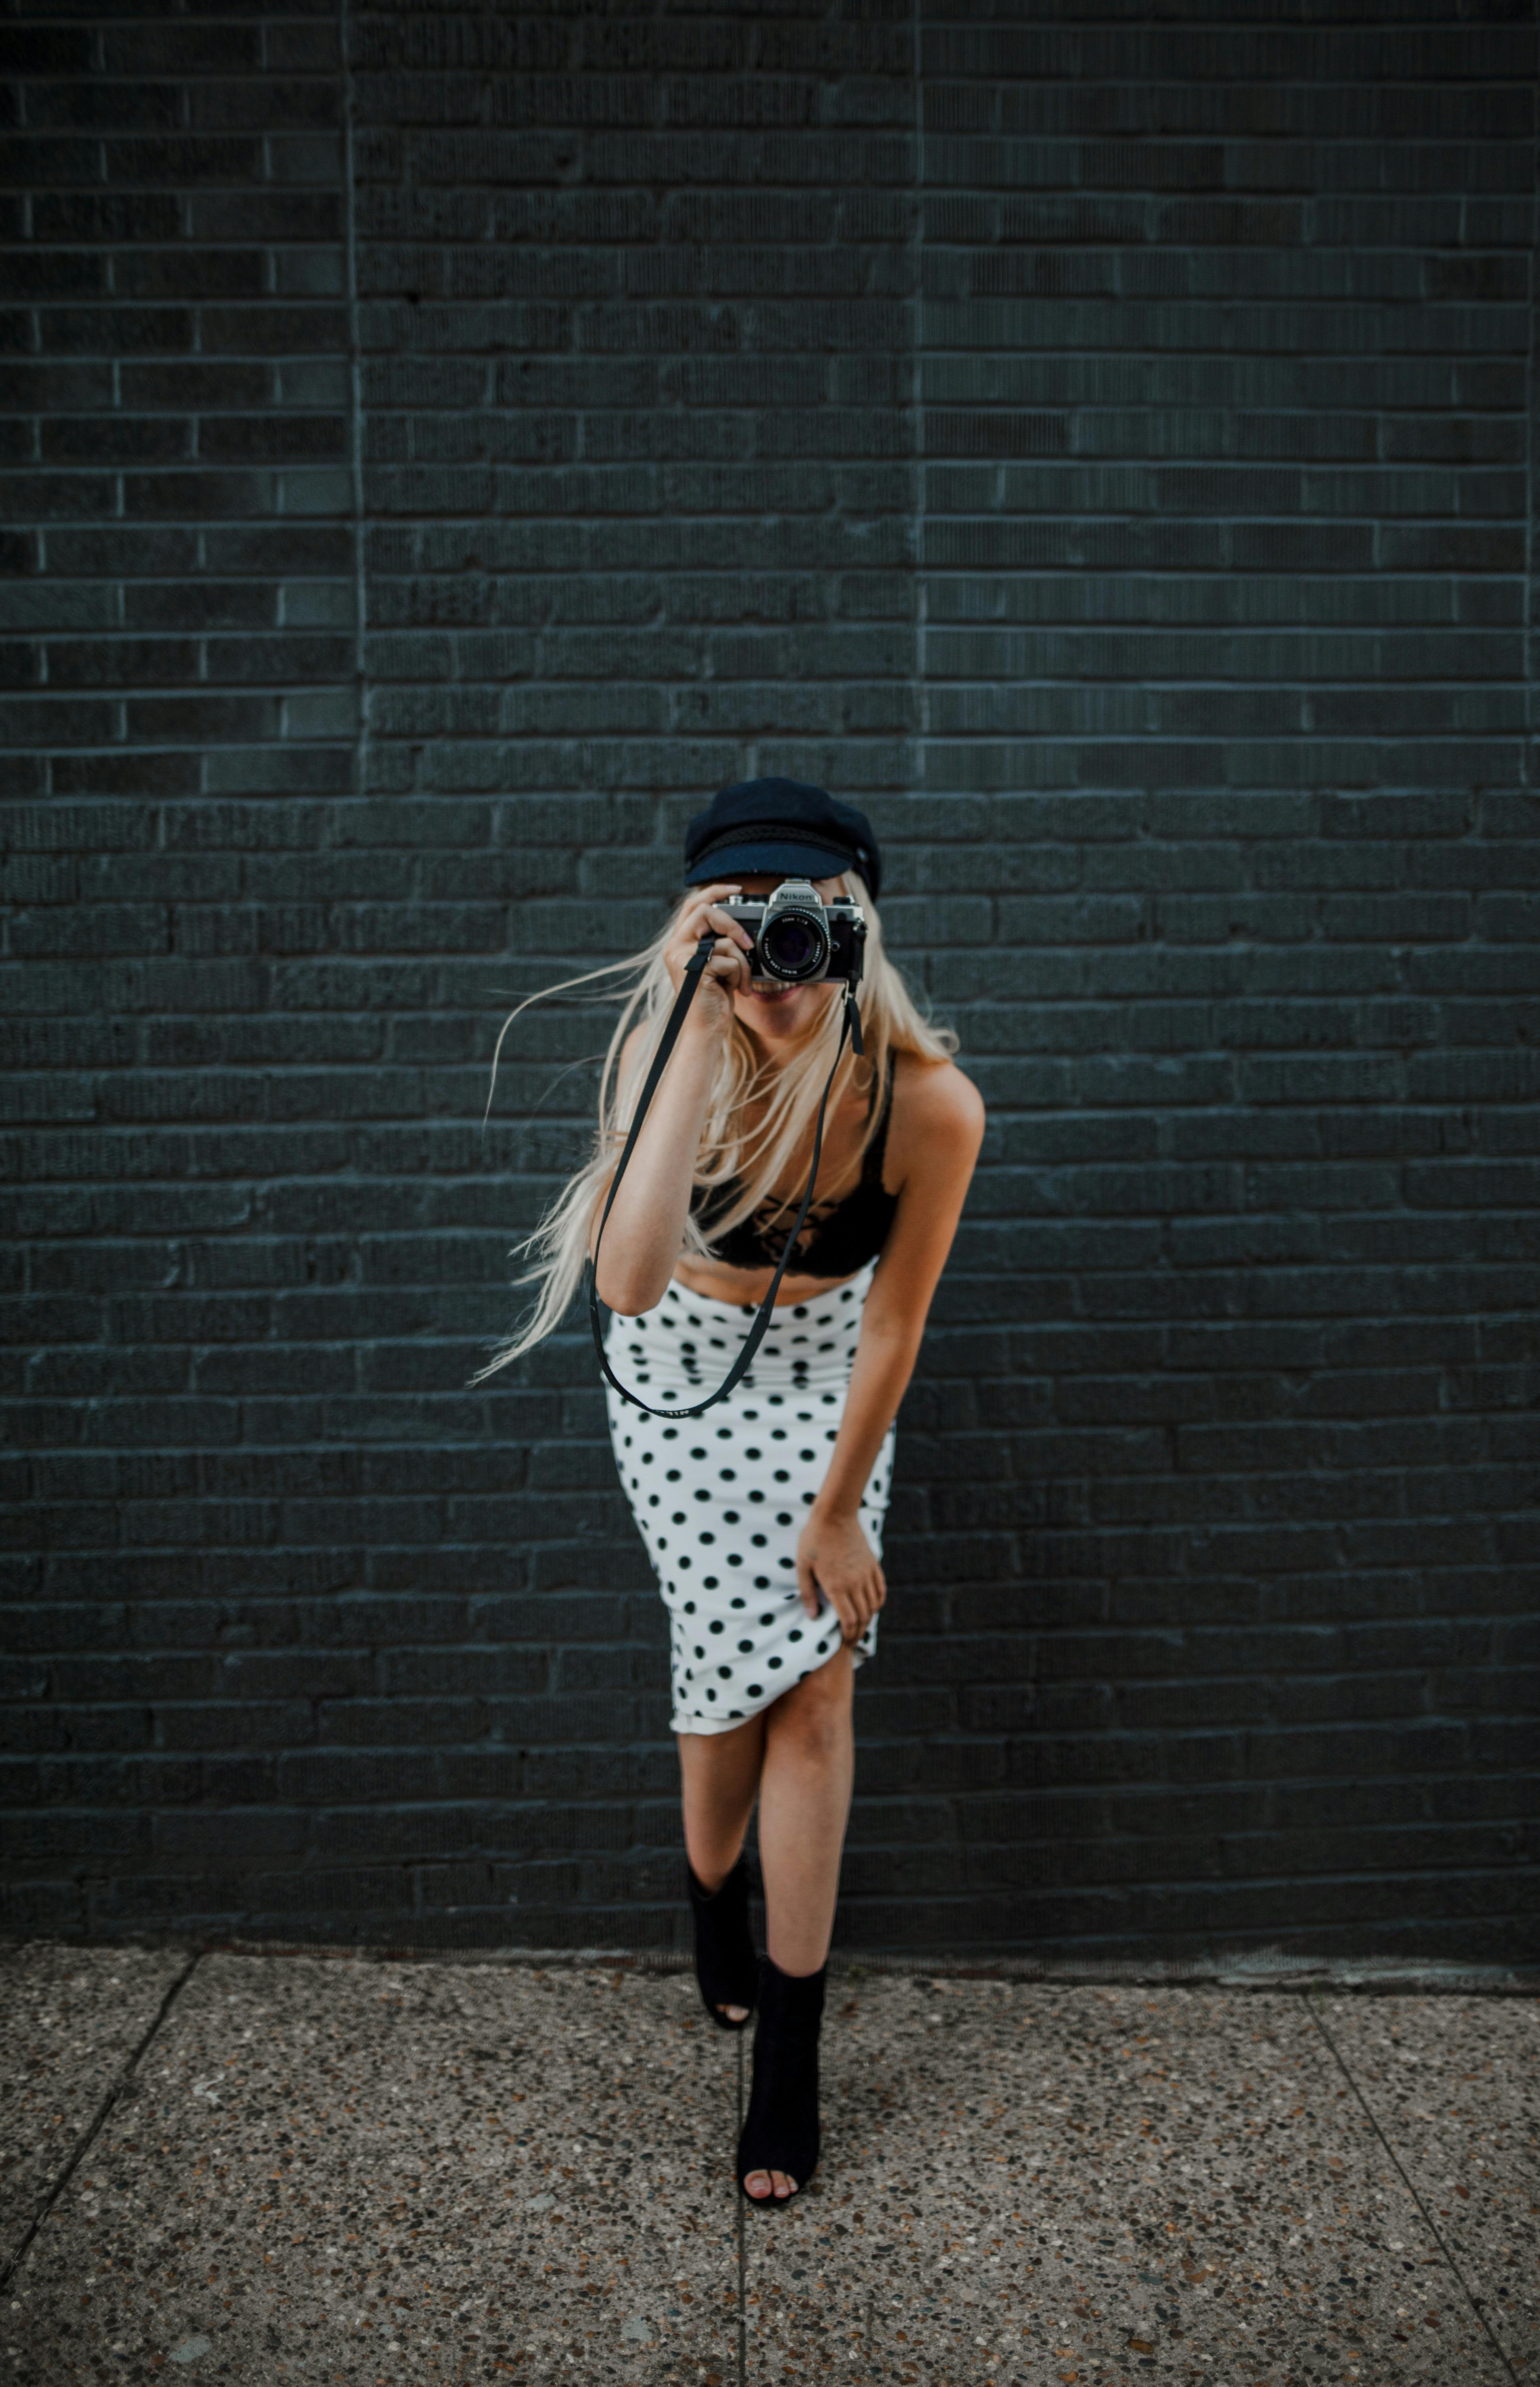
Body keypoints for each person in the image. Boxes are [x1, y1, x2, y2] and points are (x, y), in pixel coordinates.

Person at [483, 778, 983, 2208]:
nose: (781, 959)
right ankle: (709, 1889)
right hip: (681, 1369)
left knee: (816, 1684)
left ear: (856, 930)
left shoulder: (930, 1105)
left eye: (806, 926)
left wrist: (839, 1508)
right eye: (750, 925)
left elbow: (896, 1324)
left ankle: (791, 2059)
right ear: (706, 930)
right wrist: (697, 1024)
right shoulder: (678, 1045)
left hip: (830, 1376)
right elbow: (631, 1283)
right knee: (723, 1689)